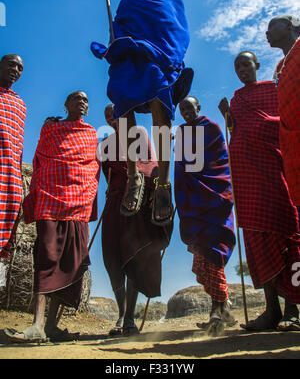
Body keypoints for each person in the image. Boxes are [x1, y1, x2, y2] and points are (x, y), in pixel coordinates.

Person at [91, 0, 191, 226]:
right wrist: (115, 36)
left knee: (162, 113)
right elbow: (121, 25)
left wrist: (166, 51)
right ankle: (134, 175)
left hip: (158, 55)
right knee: (121, 107)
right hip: (130, 55)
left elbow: (176, 28)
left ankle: (162, 184)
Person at [5, 91, 100, 342]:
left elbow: (93, 169)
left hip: (78, 205)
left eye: (86, 100)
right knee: (46, 257)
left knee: (71, 262)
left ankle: (50, 326)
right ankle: (36, 324)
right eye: (76, 99)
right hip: (50, 200)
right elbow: (40, 160)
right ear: (66, 104)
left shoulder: (91, 134)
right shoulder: (51, 129)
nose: (82, 102)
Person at [219, 51, 300, 332]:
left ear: (257, 65)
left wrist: (258, 127)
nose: (242, 69)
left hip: (275, 175)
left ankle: (292, 309)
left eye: (246, 64)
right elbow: (235, 129)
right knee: (256, 239)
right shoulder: (237, 99)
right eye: (237, 66)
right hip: (247, 178)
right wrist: (227, 116)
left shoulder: (274, 91)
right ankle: (271, 310)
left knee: (286, 236)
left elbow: (285, 123)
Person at [101, 104, 173, 336]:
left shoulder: (139, 133)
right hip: (115, 205)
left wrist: (157, 194)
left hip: (138, 202)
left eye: (117, 113)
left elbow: (151, 166)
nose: (114, 118)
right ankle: (121, 313)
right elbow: (106, 177)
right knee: (112, 258)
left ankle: (129, 317)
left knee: (135, 257)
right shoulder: (105, 145)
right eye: (109, 116)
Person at [174, 96, 236, 336]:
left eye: (190, 107)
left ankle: (217, 311)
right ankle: (223, 308)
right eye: (182, 109)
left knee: (215, 253)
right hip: (193, 204)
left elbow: (221, 162)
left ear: (198, 107)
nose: (186, 111)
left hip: (214, 200)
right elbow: (181, 167)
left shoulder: (211, 128)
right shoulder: (180, 133)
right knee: (204, 254)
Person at [267, 15, 300, 210]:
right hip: (293, 149)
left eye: (272, 26)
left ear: (290, 25)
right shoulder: (280, 69)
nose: (267, 33)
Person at [0, 54, 26, 259]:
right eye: (11, 64)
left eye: (20, 68)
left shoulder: (20, 104)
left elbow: (18, 144)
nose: (15, 70)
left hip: (9, 175)